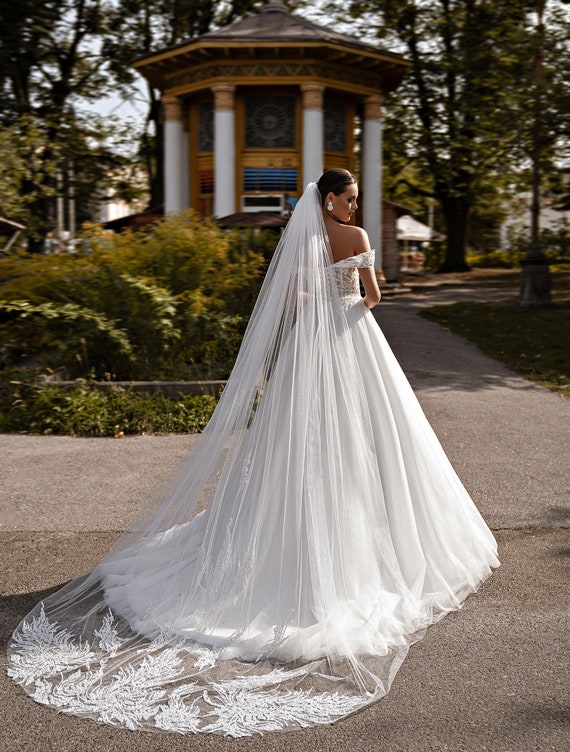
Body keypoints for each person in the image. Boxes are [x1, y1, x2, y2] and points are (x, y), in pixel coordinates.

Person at [7, 169, 499, 738]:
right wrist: (343, 304)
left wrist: (318, 301)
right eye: (350, 198)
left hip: (306, 350)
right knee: (375, 436)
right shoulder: (358, 238)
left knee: (290, 439)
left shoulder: (303, 240)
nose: (353, 206)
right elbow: (373, 298)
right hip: (350, 341)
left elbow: (291, 297)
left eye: (354, 200)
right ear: (334, 198)